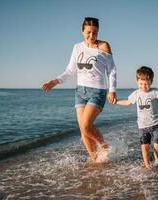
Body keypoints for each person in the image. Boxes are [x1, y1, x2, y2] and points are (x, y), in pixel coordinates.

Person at [42, 17, 117, 163]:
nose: (91, 36)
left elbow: (112, 71)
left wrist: (112, 90)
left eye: (95, 32)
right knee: (83, 131)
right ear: (82, 31)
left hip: (98, 91)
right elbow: (69, 71)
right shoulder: (77, 47)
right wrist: (54, 81)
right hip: (80, 92)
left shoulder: (104, 46)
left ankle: (104, 147)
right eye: (88, 32)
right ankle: (95, 159)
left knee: (86, 125)